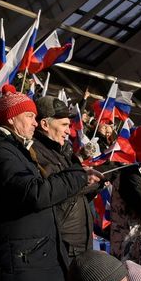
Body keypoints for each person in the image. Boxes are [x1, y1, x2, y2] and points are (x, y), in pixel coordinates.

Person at [0, 91, 96, 281]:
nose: (35, 123)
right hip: (24, 261)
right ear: (12, 118)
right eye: (29, 116)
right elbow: (35, 194)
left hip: (33, 257)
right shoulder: (1, 150)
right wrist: (78, 175)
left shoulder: (14, 149)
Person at [30, 95, 98, 263]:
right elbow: (59, 190)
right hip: (63, 244)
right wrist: (88, 179)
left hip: (79, 242)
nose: (69, 131)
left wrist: (95, 182)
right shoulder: (35, 151)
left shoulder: (62, 150)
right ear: (44, 124)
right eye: (64, 125)